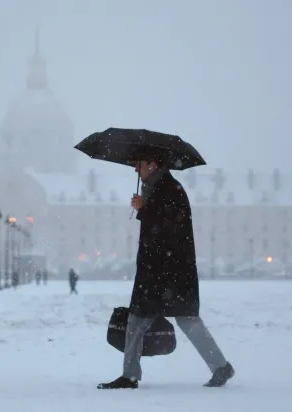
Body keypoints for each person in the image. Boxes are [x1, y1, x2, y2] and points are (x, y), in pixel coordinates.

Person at [97, 152, 235, 389]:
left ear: (152, 164)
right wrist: (145, 207)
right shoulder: (159, 188)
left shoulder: (171, 189)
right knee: (143, 320)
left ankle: (131, 376)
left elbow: (169, 228)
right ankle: (219, 366)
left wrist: (144, 209)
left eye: (138, 164)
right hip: (163, 270)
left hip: (168, 271)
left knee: (175, 320)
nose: (134, 169)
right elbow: (162, 226)